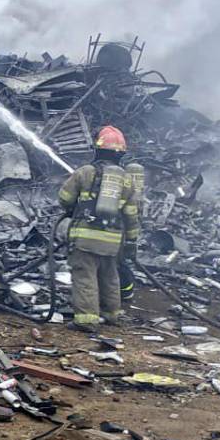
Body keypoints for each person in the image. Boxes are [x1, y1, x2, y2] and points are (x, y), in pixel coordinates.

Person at [57, 125, 140, 332]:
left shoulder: (85, 172)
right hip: (113, 240)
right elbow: (131, 214)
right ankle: (111, 313)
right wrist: (131, 241)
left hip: (85, 237)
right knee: (110, 276)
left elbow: (65, 198)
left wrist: (74, 207)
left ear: (98, 150)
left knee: (85, 275)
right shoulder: (127, 180)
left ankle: (86, 320)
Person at [118, 162, 145, 302]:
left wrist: (130, 239)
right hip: (123, 231)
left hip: (117, 230)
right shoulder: (138, 196)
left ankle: (125, 290)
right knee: (120, 261)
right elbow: (134, 217)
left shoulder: (124, 188)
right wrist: (132, 238)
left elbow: (129, 214)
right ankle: (125, 289)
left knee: (118, 262)